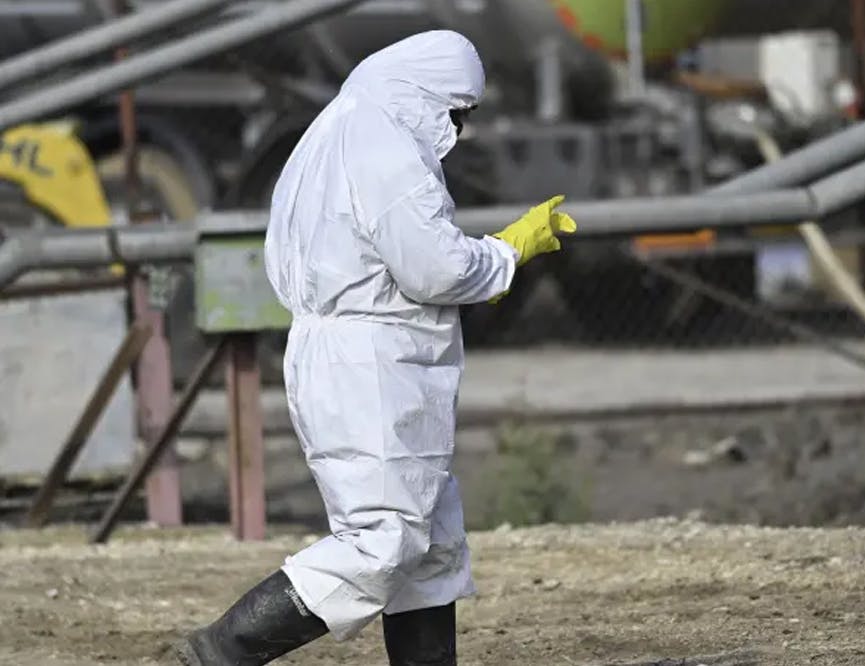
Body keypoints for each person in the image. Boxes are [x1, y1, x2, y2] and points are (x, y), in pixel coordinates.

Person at [174, 30, 576, 666]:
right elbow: (433, 269)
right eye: (456, 114)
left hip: (369, 348)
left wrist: (482, 266)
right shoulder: (383, 141)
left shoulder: (341, 126)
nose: (458, 131)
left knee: (429, 546)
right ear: (426, 95)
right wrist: (507, 251)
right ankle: (220, 653)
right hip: (370, 360)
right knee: (382, 542)